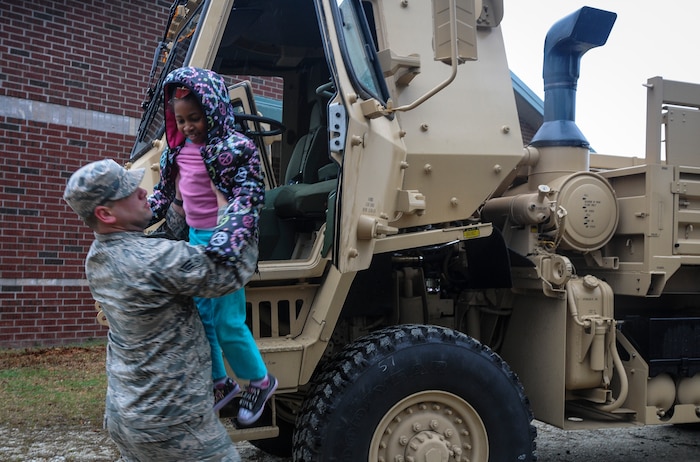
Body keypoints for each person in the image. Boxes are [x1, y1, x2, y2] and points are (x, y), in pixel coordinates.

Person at [62, 159, 256, 461]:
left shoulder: (99, 256)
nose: (142, 191)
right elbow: (229, 273)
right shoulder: (151, 260)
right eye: (129, 191)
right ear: (105, 213)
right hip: (173, 425)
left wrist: (179, 200)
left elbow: (158, 251)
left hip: (127, 414)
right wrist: (239, 206)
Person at [148, 66, 276, 425]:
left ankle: (260, 381)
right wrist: (138, 219)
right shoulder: (175, 152)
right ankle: (220, 383)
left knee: (227, 321)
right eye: (182, 120)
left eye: (196, 118)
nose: (189, 126)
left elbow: (248, 197)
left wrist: (225, 238)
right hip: (196, 241)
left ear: (214, 109)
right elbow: (164, 195)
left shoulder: (237, 149)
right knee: (202, 318)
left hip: (229, 243)